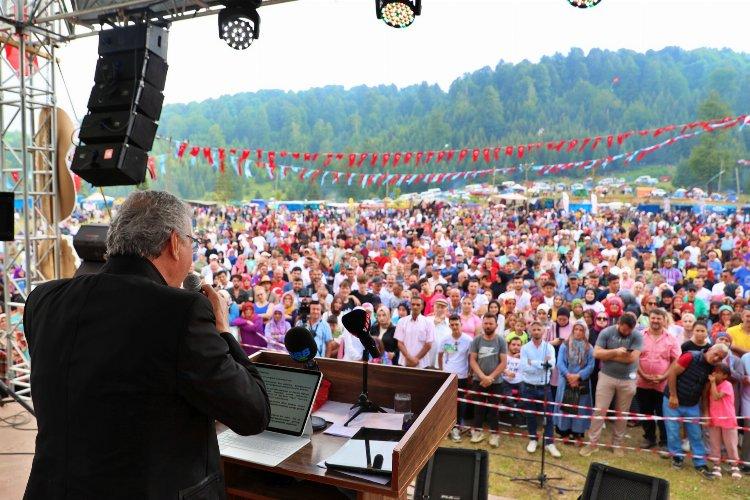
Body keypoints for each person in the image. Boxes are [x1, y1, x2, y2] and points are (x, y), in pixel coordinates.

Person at [22, 191, 270, 498]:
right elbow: (253, 413)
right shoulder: (182, 312)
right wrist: (222, 331)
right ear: (174, 243)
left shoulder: (44, 300)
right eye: (191, 241)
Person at [580, 313, 642, 458]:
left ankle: (617, 444)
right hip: (606, 376)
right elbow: (596, 353)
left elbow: (632, 359)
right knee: (599, 411)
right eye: (624, 329)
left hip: (627, 380)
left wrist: (607, 355)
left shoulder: (637, 336)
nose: (626, 333)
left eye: (629, 331)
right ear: (619, 323)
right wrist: (616, 351)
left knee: (622, 413)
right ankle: (592, 443)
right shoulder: (607, 332)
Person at [663, 344, 729, 477]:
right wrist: (673, 395)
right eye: (716, 354)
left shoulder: (713, 369)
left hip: (692, 404)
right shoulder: (690, 356)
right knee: (673, 432)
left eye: (720, 358)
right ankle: (677, 458)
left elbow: (705, 392)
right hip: (672, 400)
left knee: (696, 434)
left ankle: (700, 463)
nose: (716, 358)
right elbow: (672, 373)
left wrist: (705, 412)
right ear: (710, 349)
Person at [636, 308, 680, 449]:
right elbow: (634, 357)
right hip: (642, 382)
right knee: (645, 411)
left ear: (664, 320)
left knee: (662, 413)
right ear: (649, 319)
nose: (655, 321)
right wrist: (642, 374)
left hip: (663, 384)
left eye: (658, 318)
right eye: (653, 318)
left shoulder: (671, 339)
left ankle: (665, 441)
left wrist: (663, 376)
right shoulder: (639, 336)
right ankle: (649, 438)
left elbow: (676, 360)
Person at [520, 321, 562, 458]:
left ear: (543, 331)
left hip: (544, 387)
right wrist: (541, 364)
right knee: (530, 414)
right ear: (530, 331)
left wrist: (533, 362)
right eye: (534, 329)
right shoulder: (525, 348)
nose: (536, 331)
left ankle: (549, 441)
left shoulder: (549, 347)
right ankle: (533, 439)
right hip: (528, 386)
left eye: (539, 329)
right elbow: (524, 367)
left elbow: (551, 365)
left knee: (548, 415)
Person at [468, 314, 507, 447]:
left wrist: (490, 377)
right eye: (486, 323)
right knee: (478, 408)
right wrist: (482, 377)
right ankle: (477, 432)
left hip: (496, 383)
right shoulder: (477, 340)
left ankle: (494, 435)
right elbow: (472, 360)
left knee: (493, 410)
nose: (488, 326)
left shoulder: (501, 341)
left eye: (491, 323)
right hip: (478, 381)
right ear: (482, 324)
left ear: (496, 325)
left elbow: (503, 363)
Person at [554, 320, 595, 442]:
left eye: (581, 330)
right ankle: (564, 431)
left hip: (581, 381)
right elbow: (560, 362)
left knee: (580, 407)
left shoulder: (589, 347)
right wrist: (568, 375)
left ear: (585, 332)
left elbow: (591, 366)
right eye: (575, 329)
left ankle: (577, 433)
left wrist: (578, 376)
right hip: (565, 380)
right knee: (565, 405)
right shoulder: (565, 345)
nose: (577, 332)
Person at [704, 364, 742, 479]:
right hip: (714, 418)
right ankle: (716, 465)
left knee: (730, 444)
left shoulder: (727, 385)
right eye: (714, 371)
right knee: (714, 443)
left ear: (725, 375)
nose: (715, 373)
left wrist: (713, 383)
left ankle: (735, 466)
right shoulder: (711, 385)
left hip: (728, 419)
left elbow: (716, 396)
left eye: (719, 372)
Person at [438, 315, 473, 442]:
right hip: (448, 375)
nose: (454, 327)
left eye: (456, 324)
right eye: (452, 325)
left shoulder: (468, 340)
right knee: (447, 401)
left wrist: (470, 373)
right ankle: (447, 427)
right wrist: (442, 371)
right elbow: (440, 355)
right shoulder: (445, 339)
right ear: (449, 326)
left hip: (462, 375)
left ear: (461, 324)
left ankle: (457, 427)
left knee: (459, 402)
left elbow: (470, 358)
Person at [394, 297, 435, 368]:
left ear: (422, 306)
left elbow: (428, 344)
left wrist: (416, 359)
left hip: (422, 363)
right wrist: (409, 358)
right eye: (413, 304)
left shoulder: (429, 322)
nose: (415, 307)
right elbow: (400, 343)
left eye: (418, 305)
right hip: (404, 362)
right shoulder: (402, 321)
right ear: (410, 306)